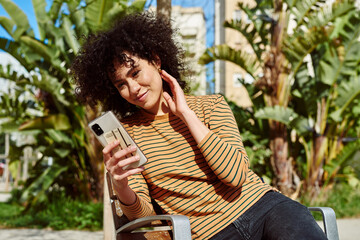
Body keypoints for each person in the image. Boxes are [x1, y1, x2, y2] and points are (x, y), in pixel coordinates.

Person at [71, 12, 327, 240]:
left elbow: (236, 176)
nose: (132, 88)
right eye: (121, 84)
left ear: (157, 61)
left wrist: (186, 114)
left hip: (266, 207)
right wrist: (121, 185)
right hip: (210, 232)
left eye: (135, 73)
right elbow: (144, 216)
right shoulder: (128, 134)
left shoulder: (212, 106)